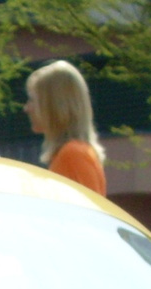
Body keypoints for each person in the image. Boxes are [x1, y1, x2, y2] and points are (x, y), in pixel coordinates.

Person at [23, 60, 106, 195]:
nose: (26, 108)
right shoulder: (71, 152)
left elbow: (87, 214)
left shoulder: (73, 154)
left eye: (32, 100)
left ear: (53, 105)